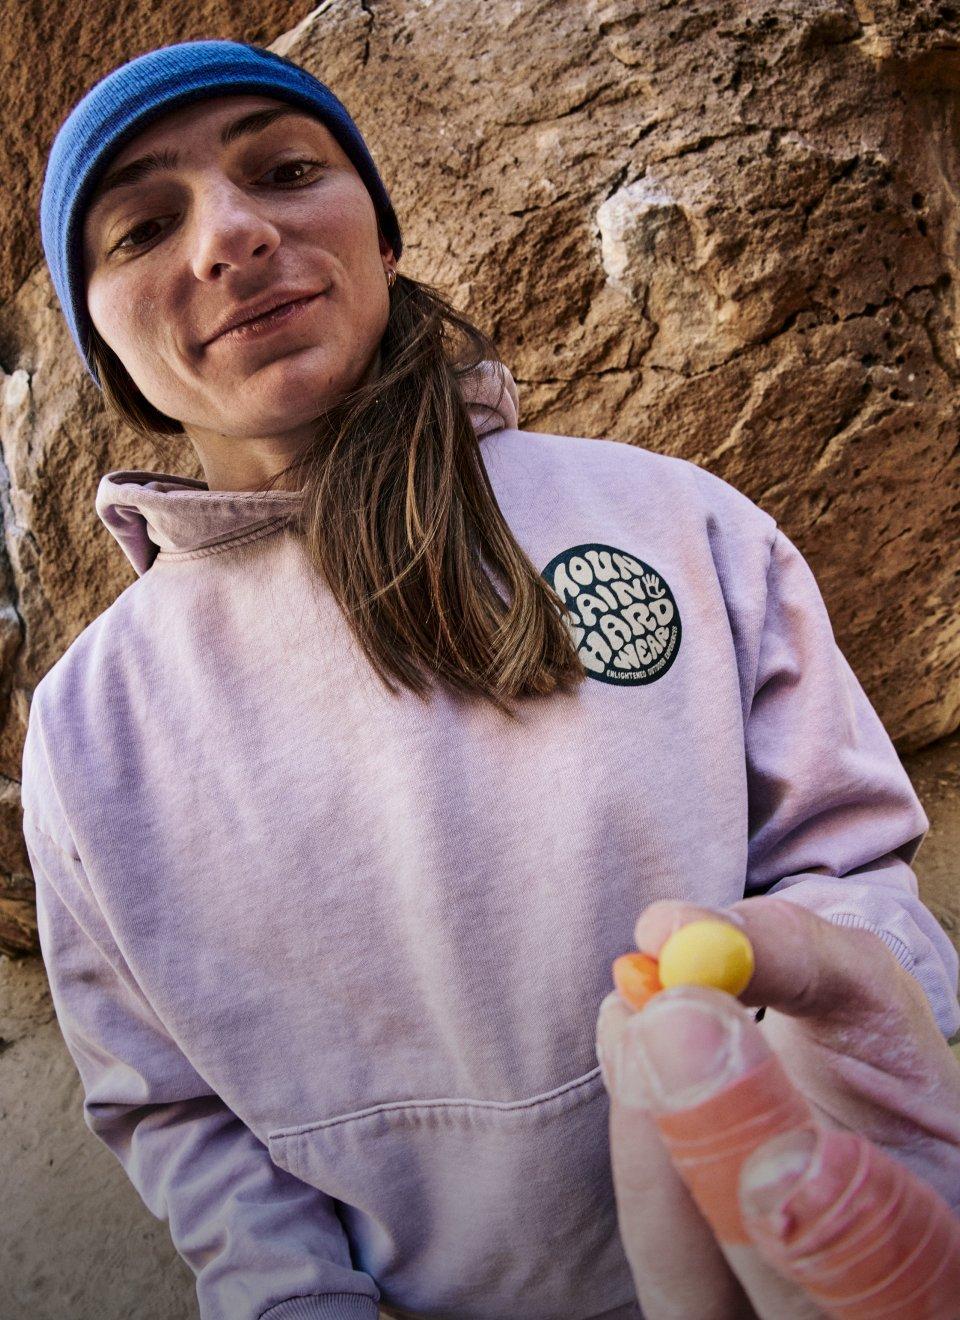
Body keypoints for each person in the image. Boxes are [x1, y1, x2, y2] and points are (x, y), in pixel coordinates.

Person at [27, 37, 959, 1320]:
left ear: (383, 233)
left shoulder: (670, 521)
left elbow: (849, 869)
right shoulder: (90, 729)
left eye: (287, 169)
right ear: (101, 347)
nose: (232, 235)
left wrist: (815, 1026)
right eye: (140, 226)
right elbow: (174, 1106)